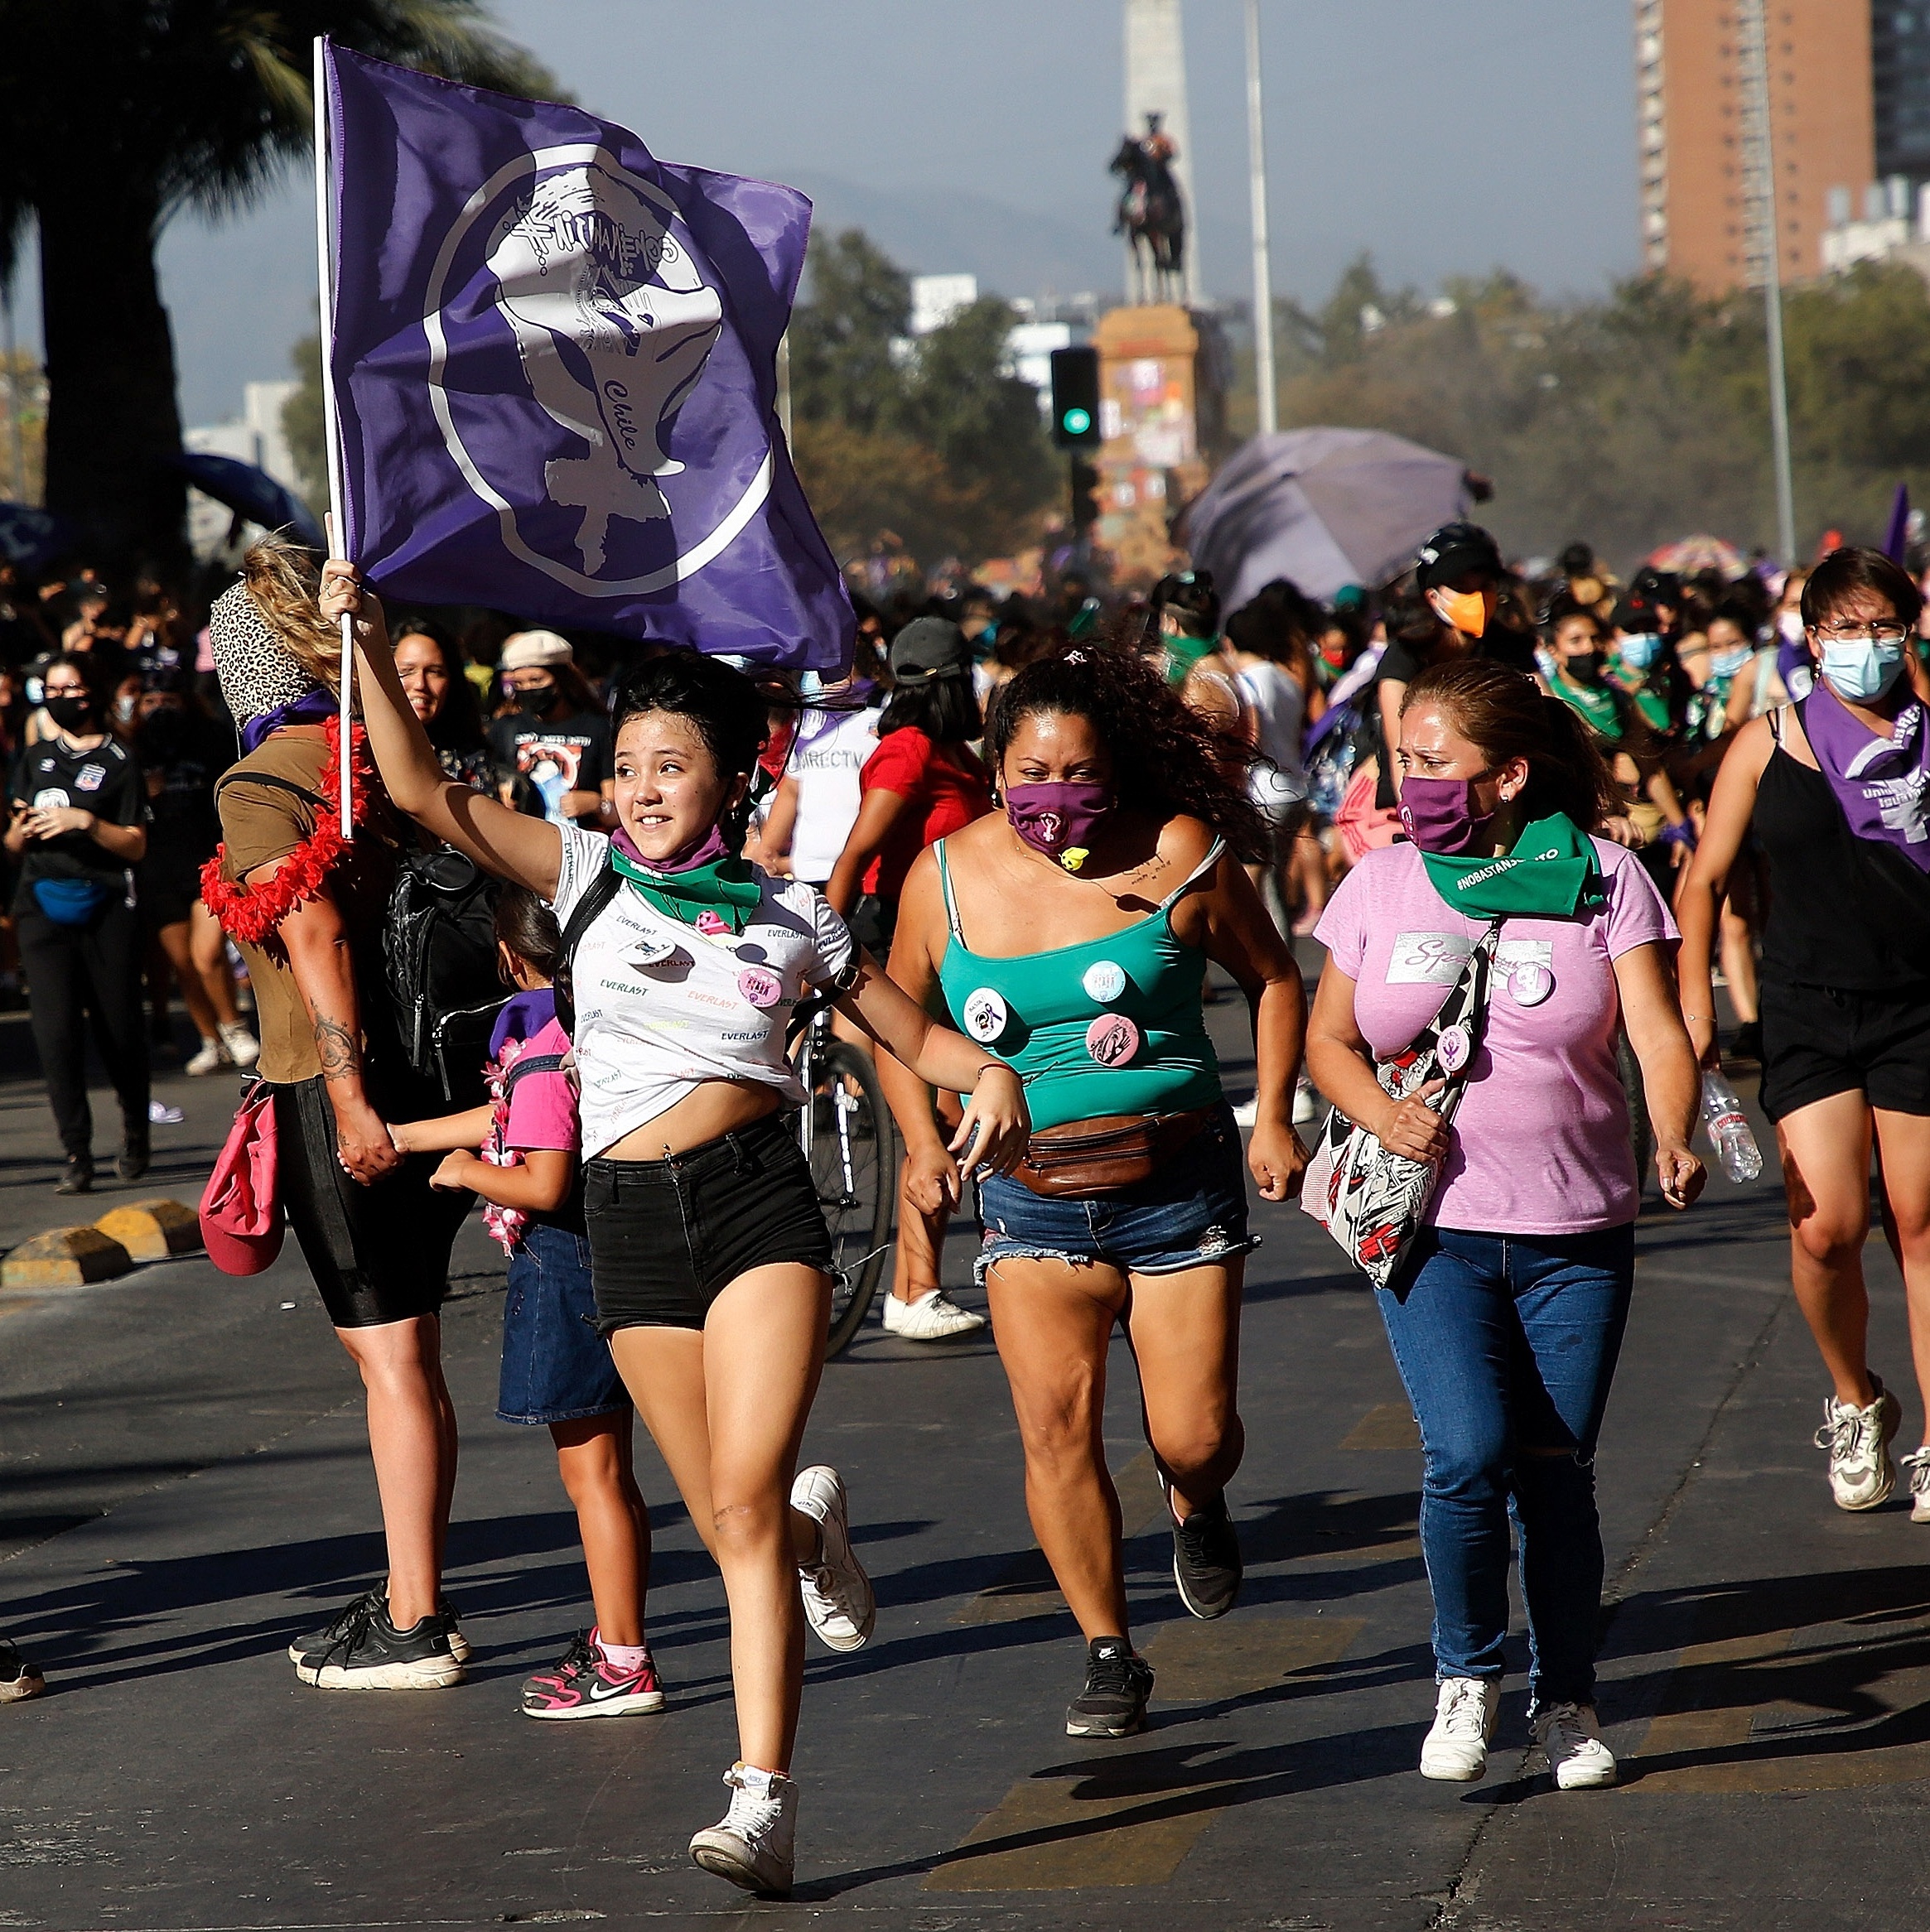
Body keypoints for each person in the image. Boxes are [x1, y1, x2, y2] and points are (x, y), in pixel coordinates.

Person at [335, 561, 1028, 1900]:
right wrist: (366, 638)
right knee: (735, 1517)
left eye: (672, 764)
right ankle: (811, 1529)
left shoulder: (795, 915)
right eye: (629, 764)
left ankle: (761, 1796)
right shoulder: (587, 872)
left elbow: (909, 1028)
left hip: (757, 1203)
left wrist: (988, 1074)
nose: (645, 786)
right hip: (627, 1224)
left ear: (732, 781)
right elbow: (423, 791)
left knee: (733, 1496)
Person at [879, 642, 1308, 1742]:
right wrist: (920, 1141)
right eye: (1030, 774)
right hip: (1026, 1196)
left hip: (1177, 1186)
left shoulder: (1181, 850)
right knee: (1056, 1433)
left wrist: (1268, 1117)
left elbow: (1269, 977)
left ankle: (1196, 1503)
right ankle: (1107, 1650)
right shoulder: (943, 876)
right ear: (993, 765)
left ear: (1115, 768)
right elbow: (892, 1015)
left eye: (1077, 775)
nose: (1052, 798)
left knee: (1194, 1434)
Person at [1306, 656, 1704, 1792]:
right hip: (1433, 1227)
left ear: (1508, 775)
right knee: (1466, 1453)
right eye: (1404, 759)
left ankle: (1566, 1698)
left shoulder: (1604, 878)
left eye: (1434, 762)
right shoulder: (1378, 887)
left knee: (1552, 1465)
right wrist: (1383, 1111)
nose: (1410, 779)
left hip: (1576, 1229)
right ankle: (1465, 1673)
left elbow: (1657, 1030)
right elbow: (1331, 1042)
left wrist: (1669, 1131)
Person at [200, 537, 474, 1692]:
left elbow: (310, 942)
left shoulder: (264, 782)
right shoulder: (380, 754)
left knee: (390, 1362)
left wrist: (350, 1100)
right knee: (415, 1352)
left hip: (341, 1087)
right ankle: (418, 1592)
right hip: (436, 1079)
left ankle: (413, 1620)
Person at [1678, 547, 1930, 1520]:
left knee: (1919, 1219)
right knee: (1826, 1225)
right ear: (1810, 638)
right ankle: (1855, 1396)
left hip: (1918, 1004)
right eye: (1843, 629)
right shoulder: (1765, 741)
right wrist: (1697, 1009)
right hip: (1804, 1008)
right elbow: (1701, 881)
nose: (1864, 646)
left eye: (1882, 625)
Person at [392, 887, 661, 1719]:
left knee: (594, 1475)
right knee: (613, 1473)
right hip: (613, 1250)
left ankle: (622, 1659)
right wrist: (403, 1136)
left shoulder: (539, 1044)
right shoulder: (581, 1025)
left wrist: (466, 1169)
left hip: (563, 1263)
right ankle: (618, 1634)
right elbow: (507, 1107)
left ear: (511, 957)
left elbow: (539, 1176)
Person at [826, 617, 994, 1343]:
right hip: (897, 946)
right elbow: (856, 852)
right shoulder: (909, 752)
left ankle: (915, 1287)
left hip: (948, 948)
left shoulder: (952, 753)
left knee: (941, 1118)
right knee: (938, 1118)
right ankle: (914, 1287)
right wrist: (821, 959)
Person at [5, 650, 150, 1192]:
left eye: (74, 688)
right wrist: (24, 830)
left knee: (118, 1029)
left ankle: (136, 1127)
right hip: (41, 903)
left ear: (94, 691)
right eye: (54, 689)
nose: (65, 698)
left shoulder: (119, 760)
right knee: (56, 1033)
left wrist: (84, 820)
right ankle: (76, 1153)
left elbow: (135, 845)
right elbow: (12, 843)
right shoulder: (34, 756)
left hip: (107, 901)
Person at [134, 668, 259, 1077]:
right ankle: (210, 1041)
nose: (159, 710)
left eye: (168, 701)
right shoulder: (132, 748)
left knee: (207, 955)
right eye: (150, 702)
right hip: (158, 868)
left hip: (208, 860)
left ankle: (234, 1027)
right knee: (183, 963)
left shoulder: (211, 738)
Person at [486, 631, 612, 827]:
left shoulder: (598, 728)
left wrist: (597, 804)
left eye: (536, 680)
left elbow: (616, 809)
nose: (528, 689)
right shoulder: (505, 728)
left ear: (561, 680)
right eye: (519, 683)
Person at [393, 615, 498, 793]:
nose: (420, 684)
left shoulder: (471, 761)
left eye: (434, 672)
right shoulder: (353, 746)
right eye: (407, 672)